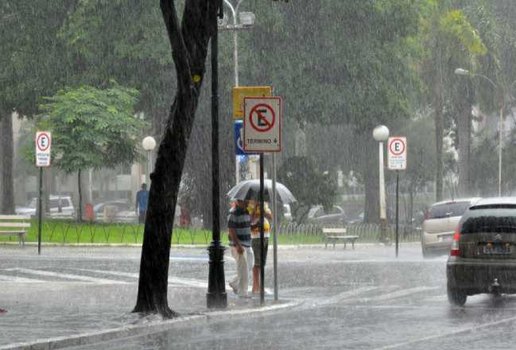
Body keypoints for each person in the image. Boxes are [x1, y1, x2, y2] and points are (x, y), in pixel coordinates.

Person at [227, 199, 253, 298]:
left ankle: (234, 282)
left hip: (247, 244)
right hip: (239, 245)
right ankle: (243, 292)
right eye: (244, 201)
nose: (247, 202)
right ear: (238, 202)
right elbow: (231, 230)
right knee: (243, 269)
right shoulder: (233, 213)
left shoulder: (246, 211)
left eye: (247, 201)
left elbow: (249, 224)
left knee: (250, 265)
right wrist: (237, 245)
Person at [248, 200, 273, 295]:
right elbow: (250, 219)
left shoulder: (265, 204)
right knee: (256, 263)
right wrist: (255, 208)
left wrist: (265, 212)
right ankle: (255, 286)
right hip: (256, 236)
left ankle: (261, 286)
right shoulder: (250, 205)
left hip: (266, 236)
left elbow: (271, 217)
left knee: (262, 262)